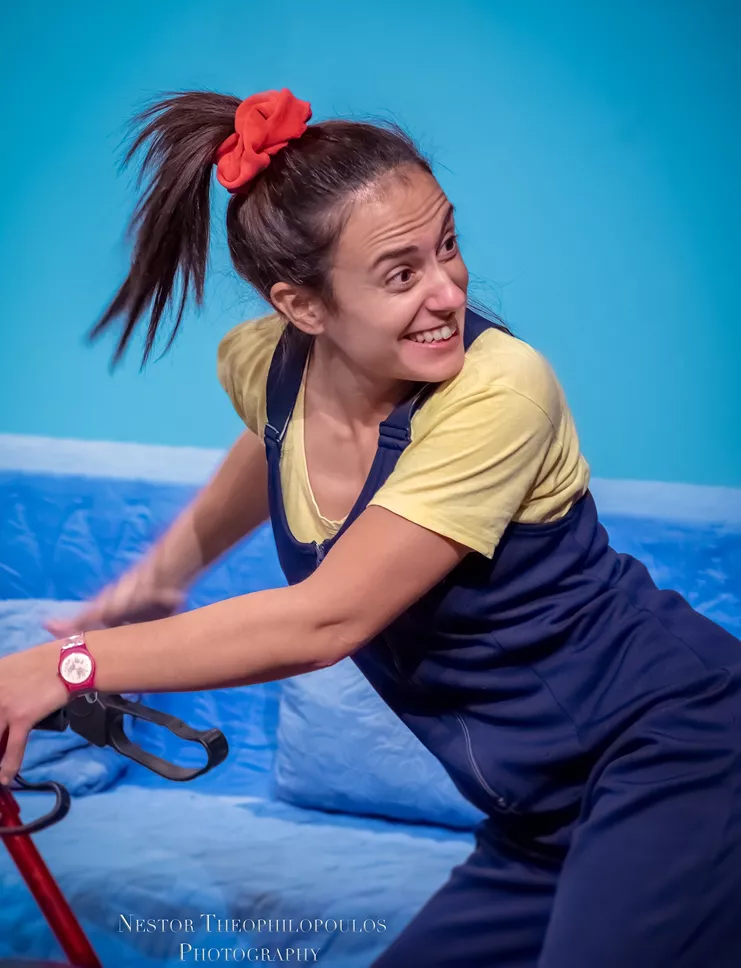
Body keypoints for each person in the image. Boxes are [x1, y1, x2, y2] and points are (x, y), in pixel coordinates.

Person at [1, 87, 740, 967]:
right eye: (400, 274)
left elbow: (325, 621)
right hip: (538, 815)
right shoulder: (264, 365)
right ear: (302, 307)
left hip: (675, 760)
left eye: (447, 246)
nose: (448, 292)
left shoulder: (498, 392)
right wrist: (160, 579)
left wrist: (65, 664)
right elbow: (274, 442)